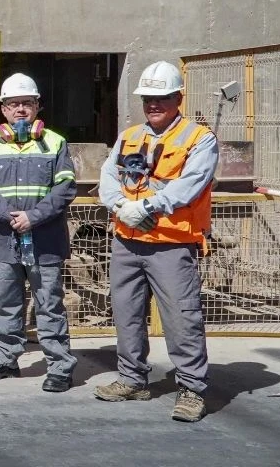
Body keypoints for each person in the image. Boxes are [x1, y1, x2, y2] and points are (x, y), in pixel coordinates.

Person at [94, 61, 217, 422]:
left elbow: (190, 184)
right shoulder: (131, 135)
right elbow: (108, 175)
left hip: (172, 243)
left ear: (178, 97)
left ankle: (192, 389)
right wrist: (119, 204)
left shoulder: (199, 139)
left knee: (182, 317)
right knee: (127, 314)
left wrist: (147, 206)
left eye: (161, 97)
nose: (153, 104)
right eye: (148, 98)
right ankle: (133, 380)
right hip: (127, 242)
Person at [0, 73, 78, 392]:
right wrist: (8, 215)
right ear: (3, 109)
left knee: (49, 302)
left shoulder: (55, 143)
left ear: (37, 107)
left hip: (44, 240)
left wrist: (33, 216)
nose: (20, 110)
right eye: (13, 104)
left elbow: (66, 186)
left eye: (27, 104)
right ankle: (5, 358)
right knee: (6, 301)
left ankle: (59, 365)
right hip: (3, 240)